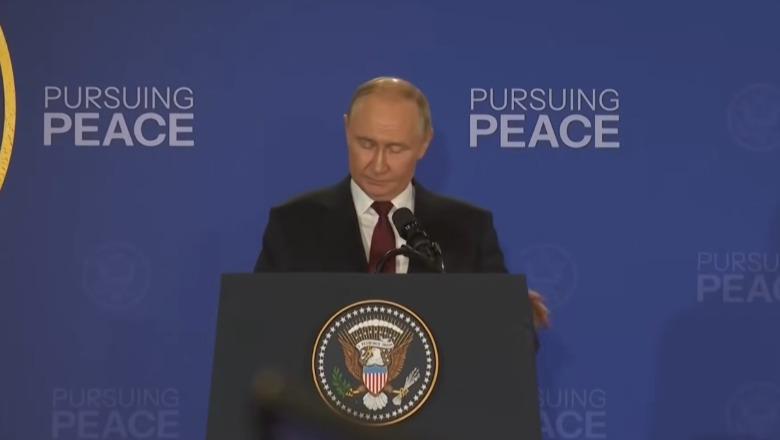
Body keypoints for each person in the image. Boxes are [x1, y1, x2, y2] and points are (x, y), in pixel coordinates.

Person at [254, 77, 548, 328]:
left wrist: (515, 321)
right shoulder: (293, 225)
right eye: (366, 144)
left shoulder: (470, 230)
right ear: (347, 130)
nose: (378, 165)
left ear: (424, 143)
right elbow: (260, 328)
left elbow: (505, 344)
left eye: (395, 149)